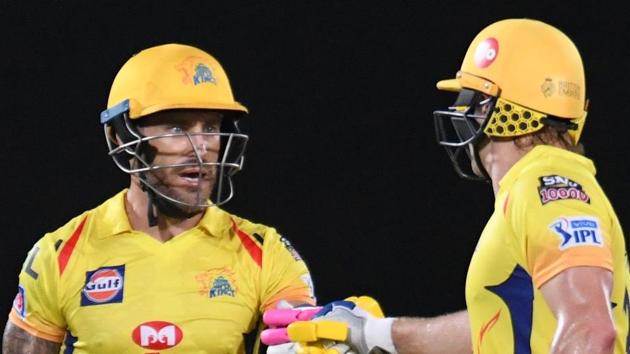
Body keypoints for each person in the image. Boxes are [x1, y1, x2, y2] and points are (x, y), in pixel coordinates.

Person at [275, 18, 630, 354]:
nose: (463, 114)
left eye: (471, 101)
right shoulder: (543, 184)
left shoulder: (545, 184)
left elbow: (590, 331)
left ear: (493, 108)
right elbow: (495, 323)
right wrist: (372, 333)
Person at [2, 43, 316, 353]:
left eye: (210, 127)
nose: (201, 148)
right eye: (177, 128)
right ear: (121, 137)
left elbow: (300, 337)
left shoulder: (268, 254)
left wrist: (335, 340)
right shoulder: (58, 256)